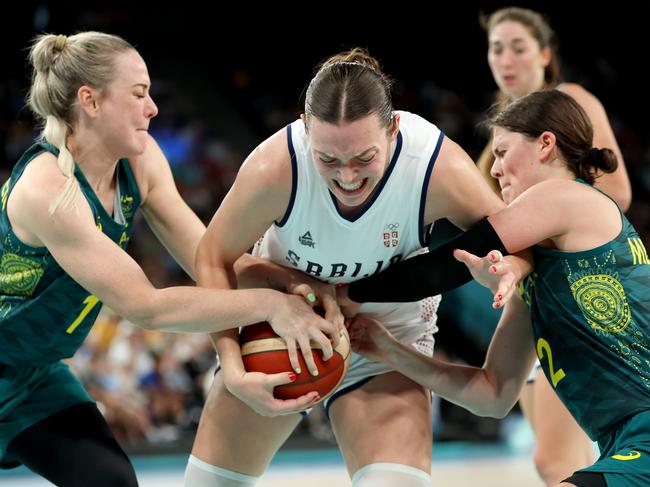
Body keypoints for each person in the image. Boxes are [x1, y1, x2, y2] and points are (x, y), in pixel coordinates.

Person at [0, 31, 338, 487]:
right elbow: (145, 305)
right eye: (139, 94)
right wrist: (270, 305)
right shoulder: (48, 192)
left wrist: (290, 282)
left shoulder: (139, 163)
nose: (153, 107)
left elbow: (207, 258)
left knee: (112, 481)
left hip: (34, 378)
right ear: (91, 101)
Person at [184, 48, 510, 487]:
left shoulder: (435, 166)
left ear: (394, 129)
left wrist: (505, 272)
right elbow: (213, 255)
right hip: (281, 331)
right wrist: (232, 366)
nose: (348, 178)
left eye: (363, 158)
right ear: (304, 131)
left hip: (385, 341)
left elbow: (509, 240)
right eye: (329, 160)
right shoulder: (275, 166)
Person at [349, 89, 650, 487]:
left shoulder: (567, 195)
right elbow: (492, 395)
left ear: (546, 145)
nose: (493, 170)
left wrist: (341, 294)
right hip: (627, 443)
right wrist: (389, 350)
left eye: (503, 152)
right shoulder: (541, 283)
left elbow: (442, 268)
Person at [477, 7, 634, 483]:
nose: (506, 59)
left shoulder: (572, 99)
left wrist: (546, 220)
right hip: (534, 298)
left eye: (519, 47)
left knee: (555, 461)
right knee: (560, 459)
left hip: (577, 293)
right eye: (496, 47)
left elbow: (618, 191)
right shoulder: (503, 132)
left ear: (545, 55)